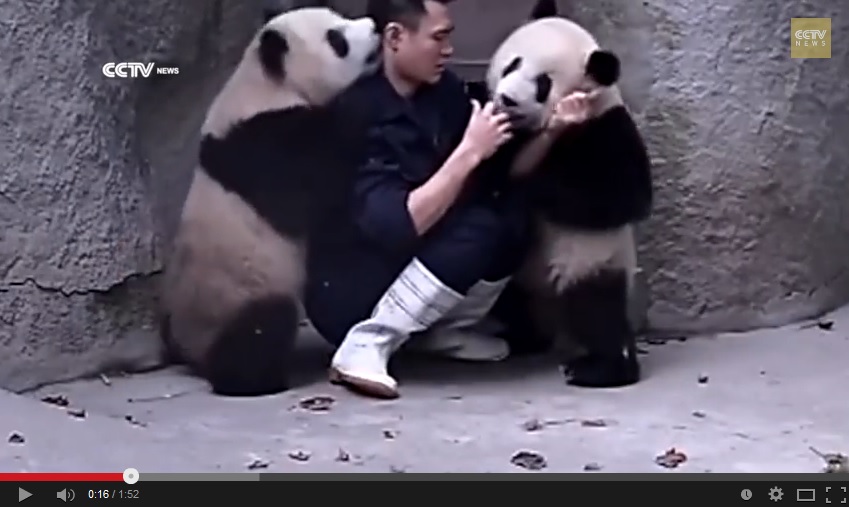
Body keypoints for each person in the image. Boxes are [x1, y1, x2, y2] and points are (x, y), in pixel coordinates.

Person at [305, 0, 594, 399]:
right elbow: (399, 225)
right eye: (438, 38)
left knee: (512, 214)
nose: (448, 50)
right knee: (479, 227)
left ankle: (438, 333)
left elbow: (504, 176)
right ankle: (367, 344)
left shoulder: (445, 94)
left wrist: (552, 131)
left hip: (409, 262)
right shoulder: (356, 112)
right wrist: (470, 151)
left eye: (450, 37)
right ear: (394, 37)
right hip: (348, 289)